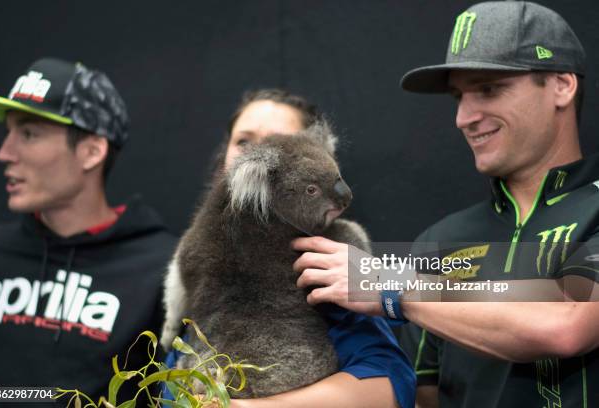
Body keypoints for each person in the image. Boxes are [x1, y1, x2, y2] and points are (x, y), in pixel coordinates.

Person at [291, 2, 599, 407]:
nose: (464, 117)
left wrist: (390, 286)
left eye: (489, 89)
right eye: (459, 96)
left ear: (562, 85)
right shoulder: (440, 241)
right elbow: (422, 397)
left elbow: (567, 323)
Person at [164, 88, 416, 408]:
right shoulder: (202, 243)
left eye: (281, 140)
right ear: (224, 154)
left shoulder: (328, 257)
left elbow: (390, 384)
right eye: (244, 141)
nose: (260, 151)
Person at [0, 58, 177, 404]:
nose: (4, 153)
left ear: (91, 151)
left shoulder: (164, 267)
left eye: (28, 133)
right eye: (8, 133)